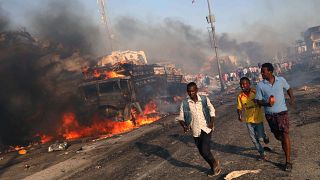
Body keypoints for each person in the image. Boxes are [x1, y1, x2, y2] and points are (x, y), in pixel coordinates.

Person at [255, 63, 295, 171]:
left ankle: (288, 162)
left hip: (282, 112)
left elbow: (289, 88)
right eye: (261, 71)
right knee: (278, 136)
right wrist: (267, 104)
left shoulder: (281, 80)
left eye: (263, 71)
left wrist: (291, 98)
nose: (262, 73)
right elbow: (258, 101)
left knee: (285, 134)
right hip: (270, 115)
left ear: (270, 72)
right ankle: (283, 142)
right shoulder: (260, 85)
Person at [176, 82, 221, 177]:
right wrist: (184, 125)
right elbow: (180, 117)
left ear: (196, 90)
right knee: (202, 152)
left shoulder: (204, 99)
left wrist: (211, 122)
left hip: (206, 128)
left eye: (193, 91)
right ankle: (213, 163)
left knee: (205, 150)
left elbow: (212, 109)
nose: (191, 93)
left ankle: (214, 166)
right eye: (189, 91)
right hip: (195, 130)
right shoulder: (185, 103)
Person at [237, 77, 269, 160]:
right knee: (253, 139)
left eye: (245, 84)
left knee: (260, 138)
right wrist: (239, 116)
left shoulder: (255, 92)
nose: (243, 86)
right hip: (249, 121)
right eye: (241, 84)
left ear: (249, 84)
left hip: (258, 119)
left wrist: (258, 101)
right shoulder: (240, 96)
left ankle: (264, 135)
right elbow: (239, 108)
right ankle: (262, 153)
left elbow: (263, 101)